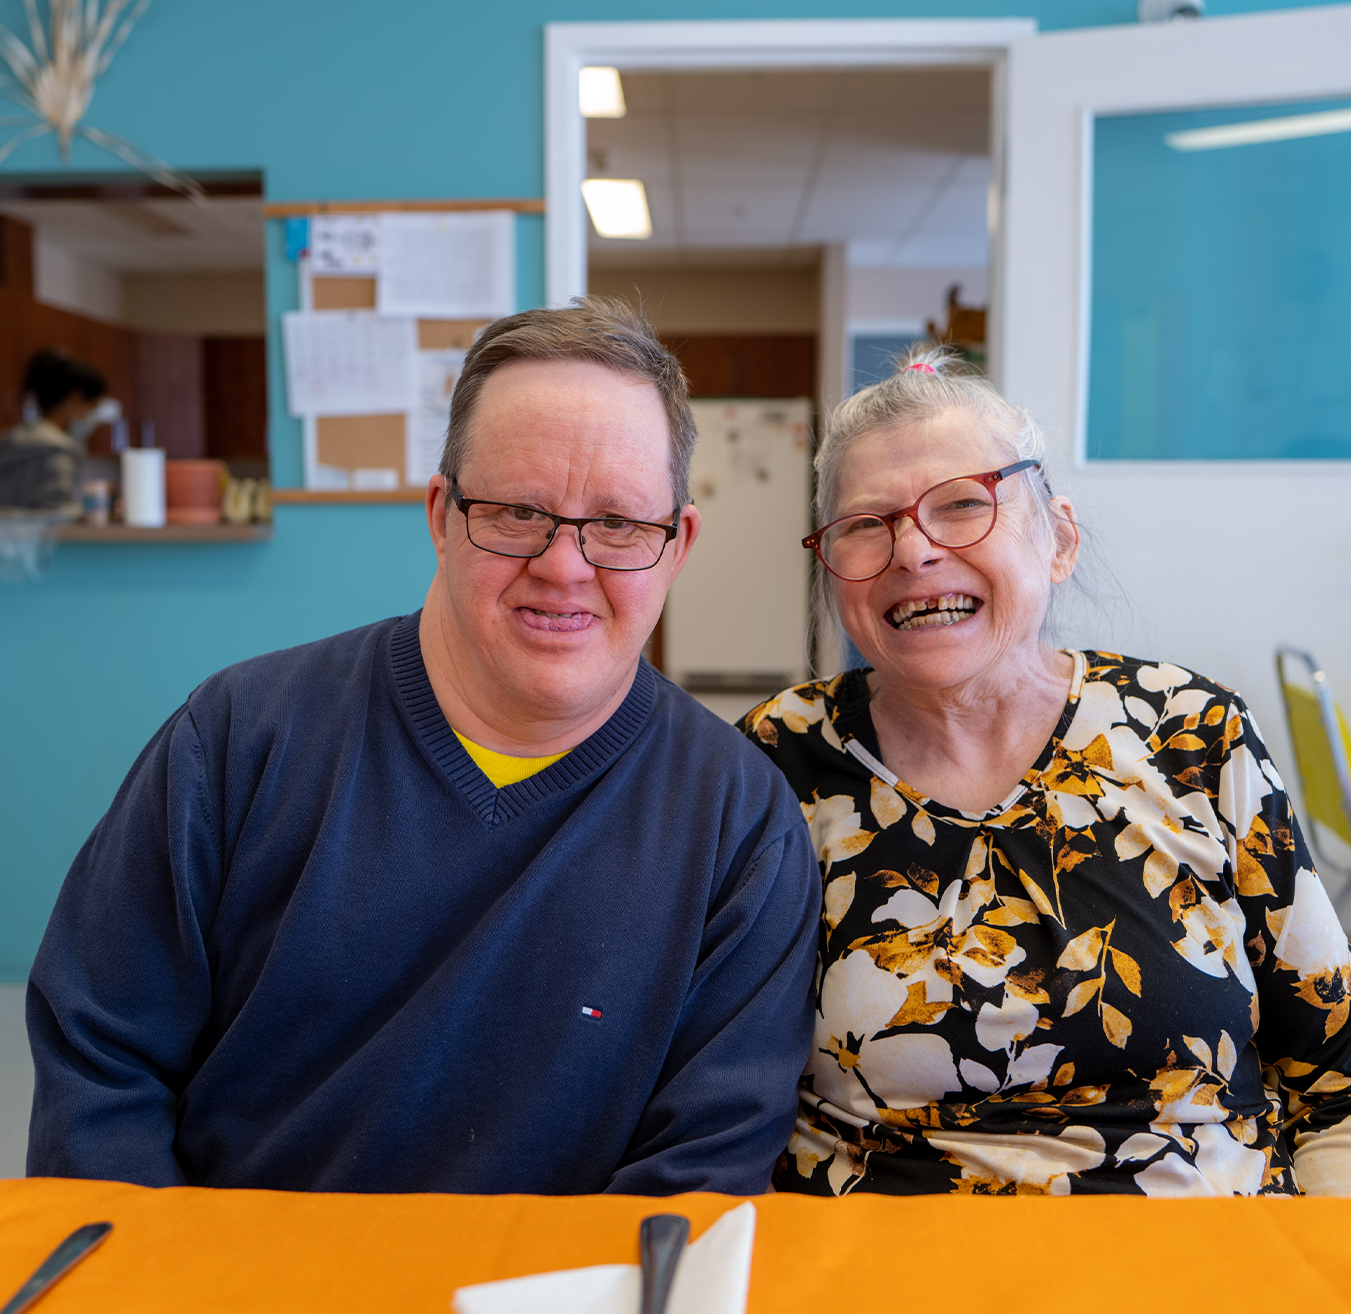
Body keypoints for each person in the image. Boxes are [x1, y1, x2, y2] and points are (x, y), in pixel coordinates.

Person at [27, 298, 820, 1195]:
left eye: (618, 525)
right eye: (518, 512)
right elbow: (100, 1068)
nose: (564, 565)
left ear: (675, 545)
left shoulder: (739, 825)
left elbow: (702, 1173)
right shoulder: (238, 740)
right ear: (441, 515)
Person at [743, 347, 1351, 1197]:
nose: (912, 552)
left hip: (1204, 1258)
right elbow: (723, 1091)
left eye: (961, 506)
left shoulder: (1193, 731)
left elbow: (1335, 1077)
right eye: (864, 525)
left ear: (1058, 538)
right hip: (888, 1265)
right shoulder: (777, 758)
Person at [0, 350, 108, 510]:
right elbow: (58, 515)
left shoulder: (11, 439)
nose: (92, 418)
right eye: (92, 408)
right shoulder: (58, 449)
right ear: (75, 398)